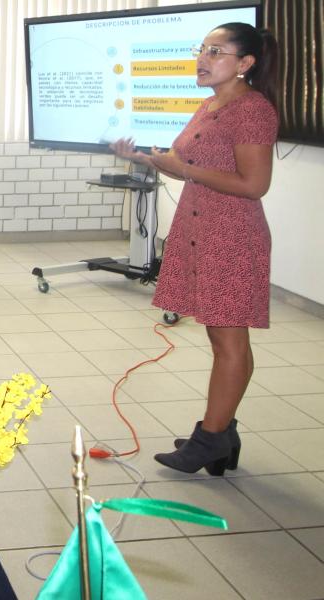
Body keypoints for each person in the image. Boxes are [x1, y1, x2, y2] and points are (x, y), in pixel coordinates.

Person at [110, 22, 278, 475]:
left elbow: (254, 184)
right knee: (223, 337)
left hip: (231, 236)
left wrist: (183, 168)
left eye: (216, 51)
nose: (202, 58)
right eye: (201, 49)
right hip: (199, 229)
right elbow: (187, 164)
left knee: (229, 340)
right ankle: (222, 434)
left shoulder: (252, 110)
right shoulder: (211, 104)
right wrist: (147, 159)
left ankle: (210, 438)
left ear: (245, 63)